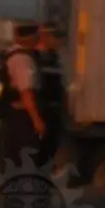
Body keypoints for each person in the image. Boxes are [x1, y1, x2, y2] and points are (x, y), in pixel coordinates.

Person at [0, 24, 46, 164]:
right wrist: (37, 120)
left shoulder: (10, 54)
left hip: (13, 114)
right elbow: (26, 92)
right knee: (25, 157)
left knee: (15, 157)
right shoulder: (23, 60)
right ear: (31, 38)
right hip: (22, 116)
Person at [36, 23, 67, 172]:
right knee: (40, 150)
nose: (59, 42)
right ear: (45, 37)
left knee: (51, 147)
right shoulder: (37, 58)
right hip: (44, 109)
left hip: (54, 110)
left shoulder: (54, 57)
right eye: (55, 37)